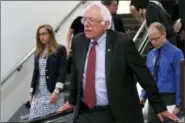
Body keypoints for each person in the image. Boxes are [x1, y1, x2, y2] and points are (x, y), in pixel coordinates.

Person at [57, 3, 178, 123]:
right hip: (85, 112)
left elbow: (144, 75)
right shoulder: (78, 41)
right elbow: (75, 74)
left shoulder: (122, 43)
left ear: (106, 24)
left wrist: (159, 107)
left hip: (114, 113)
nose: (86, 24)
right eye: (85, 19)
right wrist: (72, 101)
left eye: (92, 20)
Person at [140, 22, 184, 123]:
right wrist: (143, 95)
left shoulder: (176, 53)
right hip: (153, 98)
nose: (154, 42)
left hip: (169, 98)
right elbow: (148, 78)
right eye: (151, 40)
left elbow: (180, 79)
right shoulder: (151, 54)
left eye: (156, 38)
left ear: (164, 34)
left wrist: (179, 104)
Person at [27, 24, 67, 120]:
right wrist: (30, 93)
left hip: (52, 90)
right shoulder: (38, 51)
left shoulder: (60, 49)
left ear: (51, 34)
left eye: (44, 33)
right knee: (34, 117)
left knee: (52, 119)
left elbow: (62, 71)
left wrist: (56, 91)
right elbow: (35, 73)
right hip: (38, 90)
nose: (41, 37)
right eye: (39, 34)